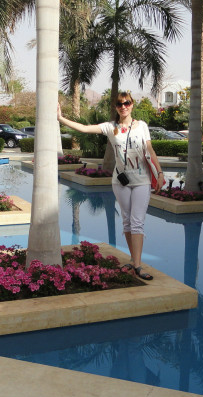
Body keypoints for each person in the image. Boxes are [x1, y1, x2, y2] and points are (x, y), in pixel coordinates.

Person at [57, 92, 165, 280]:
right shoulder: (110, 127)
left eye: (127, 103)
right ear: (116, 107)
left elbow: (150, 150)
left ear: (132, 105)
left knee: (137, 222)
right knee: (127, 221)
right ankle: (134, 260)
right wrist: (60, 118)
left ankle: (138, 265)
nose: (123, 106)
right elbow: (84, 128)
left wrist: (160, 173)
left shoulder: (142, 126)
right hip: (120, 181)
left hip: (142, 180)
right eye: (119, 104)